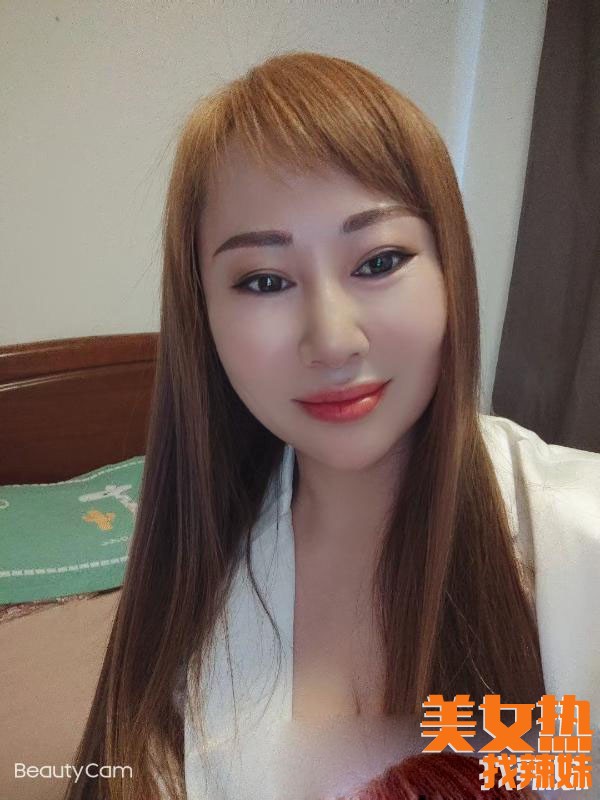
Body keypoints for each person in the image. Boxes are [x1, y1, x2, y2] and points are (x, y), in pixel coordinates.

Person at [64, 51, 600, 800]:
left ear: (450, 269)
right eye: (265, 280)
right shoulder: (192, 566)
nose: (334, 341)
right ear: (202, 314)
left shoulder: (579, 531)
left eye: (379, 262)